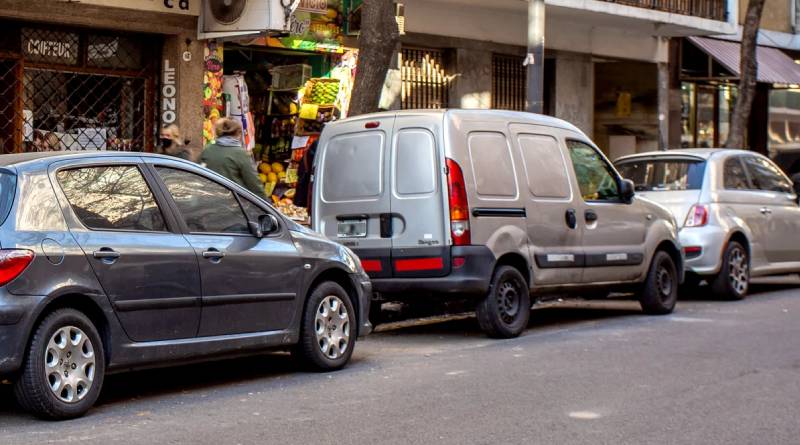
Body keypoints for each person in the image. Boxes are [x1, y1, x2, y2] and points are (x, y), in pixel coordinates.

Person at [202, 118, 266, 199]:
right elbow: (254, 184)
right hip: (233, 204)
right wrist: (268, 205)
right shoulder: (240, 154)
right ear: (238, 134)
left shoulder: (208, 150)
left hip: (208, 202)